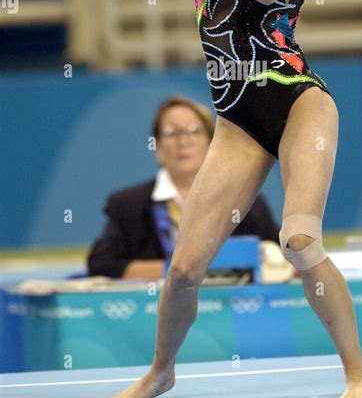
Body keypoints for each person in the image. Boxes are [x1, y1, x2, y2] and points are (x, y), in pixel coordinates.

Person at [102, 0, 362, 398]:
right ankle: (160, 372)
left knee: (300, 240)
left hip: (298, 100)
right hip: (236, 118)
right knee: (183, 270)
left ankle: (358, 372)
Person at [87, 96, 281, 280]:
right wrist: (177, 270)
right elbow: (102, 264)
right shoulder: (128, 205)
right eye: (171, 133)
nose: (183, 142)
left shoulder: (245, 201)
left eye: (194, 131)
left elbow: (284, 258)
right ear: (157, 148)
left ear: (212, 144)